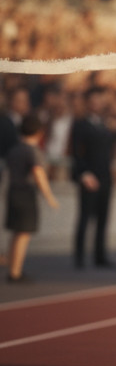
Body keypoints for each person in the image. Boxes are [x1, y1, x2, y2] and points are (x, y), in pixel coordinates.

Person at [6, 117, 60, 283]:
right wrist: (49, 196)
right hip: (26, 194)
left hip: (13, 192)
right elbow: (38, 173)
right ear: (39, 132)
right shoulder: (32, 151)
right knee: (23, 234)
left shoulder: (14, 149)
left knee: (16, 233)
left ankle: (12, 268)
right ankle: (15, 272)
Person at [70, 85, 116, 269]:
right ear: (88, 103)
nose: (97, 104)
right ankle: (79, 258)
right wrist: (84, 174)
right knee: (84, 218)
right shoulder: (80, 124)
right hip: (89, 178)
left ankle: (100, 256)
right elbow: (76, 153)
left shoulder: (106, 124)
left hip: (106, 177)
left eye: (100, 100)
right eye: (93, 100)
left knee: (103, 219)